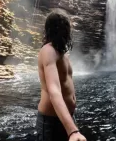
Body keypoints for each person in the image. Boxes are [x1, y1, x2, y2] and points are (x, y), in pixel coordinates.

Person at [37, 11, 87, 141]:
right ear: (55, 29)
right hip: (51, 122)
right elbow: (54, 91)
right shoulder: (48, 50)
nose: (67, 32)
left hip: (67, 117)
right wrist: (73, 131)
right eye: (64, 27)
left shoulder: (62, 54)